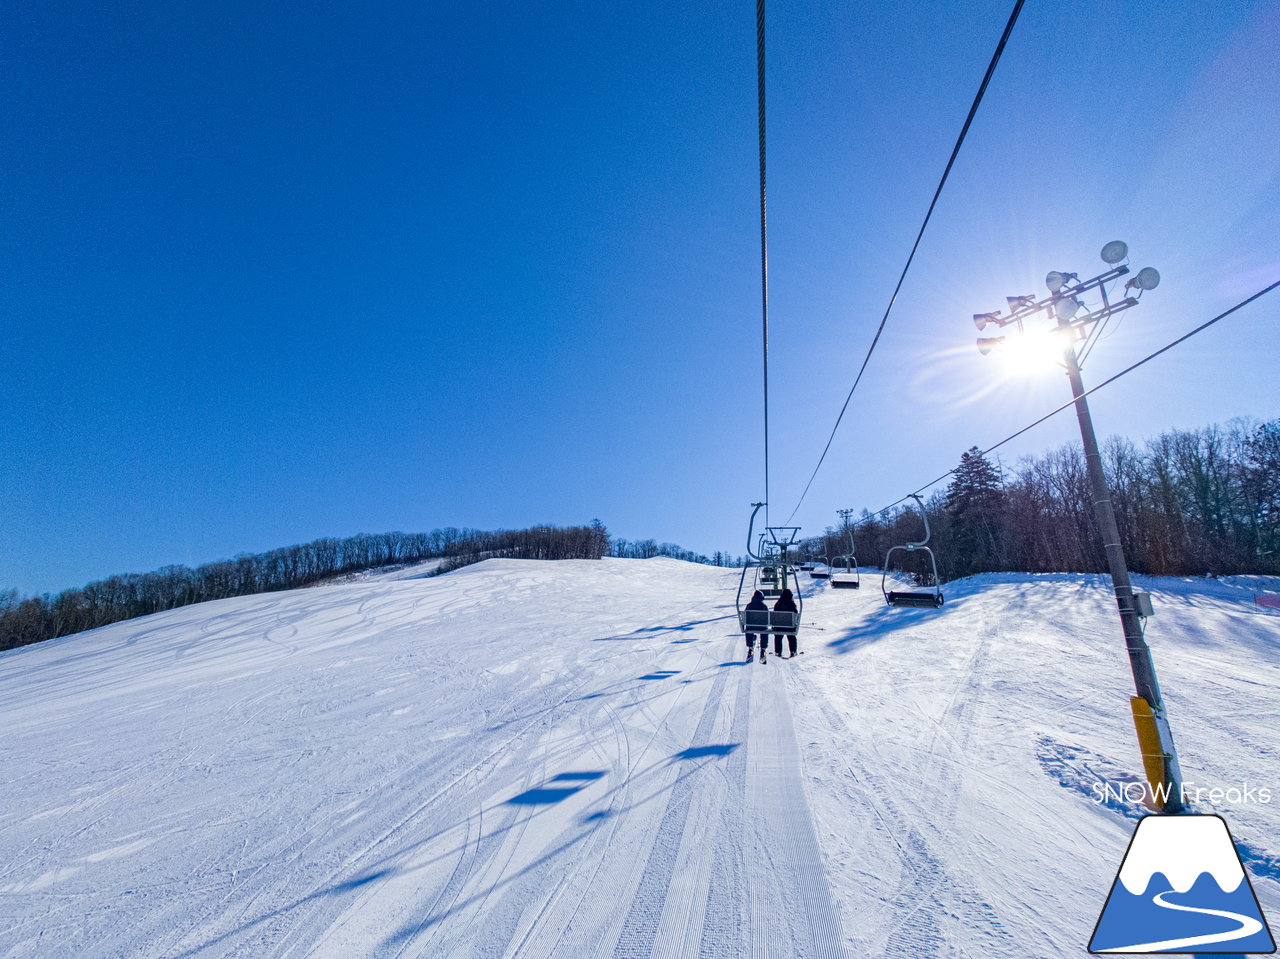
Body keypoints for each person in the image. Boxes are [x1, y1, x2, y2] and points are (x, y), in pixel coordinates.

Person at [772, 588, 798, 658]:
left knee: (778, 636)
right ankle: (793, 651)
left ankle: (778, 651)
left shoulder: (778, 603)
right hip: (789, 627)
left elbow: (774, 616)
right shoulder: (792, 604)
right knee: (791, 636)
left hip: (778, 627)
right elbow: (796, 614)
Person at [744, 590, 768, 663]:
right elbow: (767, 618)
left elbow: (745, 616)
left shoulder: (749, 605)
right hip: (761, 627)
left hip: (751, 627)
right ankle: (763, 649)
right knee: (765, 631)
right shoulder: (764, 606)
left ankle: (750, 648)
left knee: (748, 629)